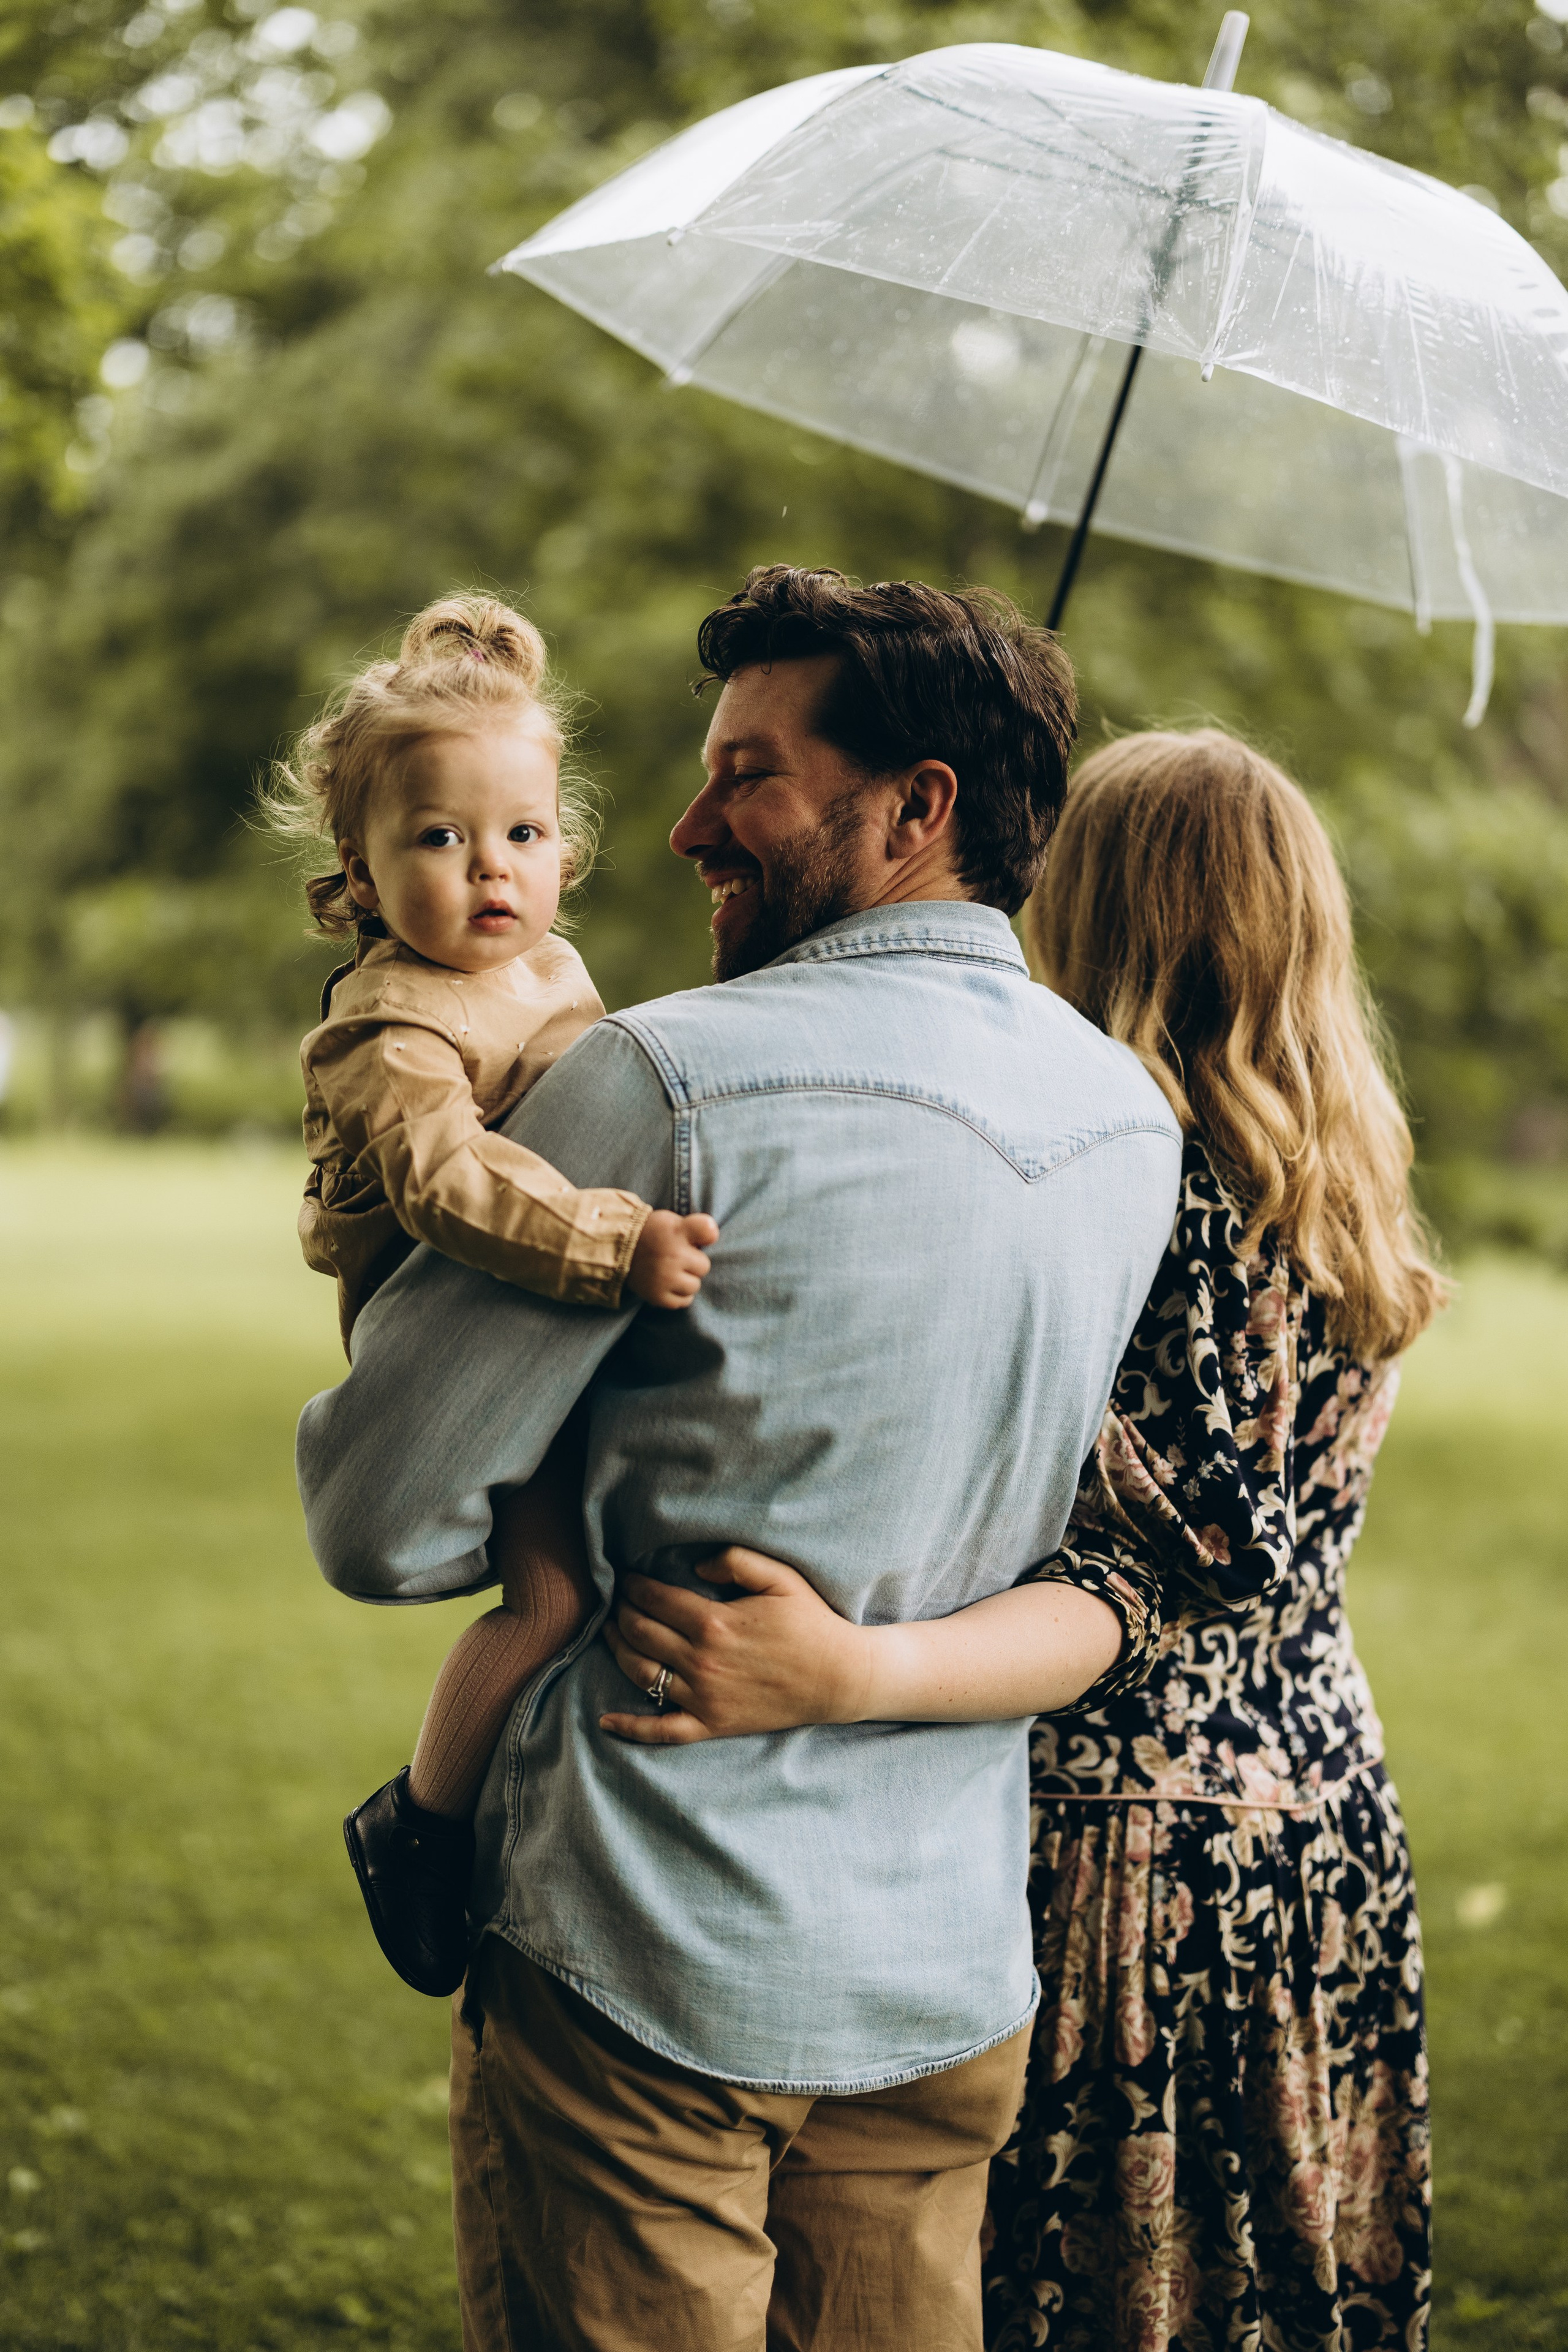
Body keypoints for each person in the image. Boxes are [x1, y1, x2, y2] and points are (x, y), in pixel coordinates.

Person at [295, 566, 1184, 2352]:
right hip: (938, 1968)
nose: (687, 826)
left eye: (748, 777)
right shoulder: (1128, 1116)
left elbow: (380, 1520)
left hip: (644, 1952)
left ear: (917, 807)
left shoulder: (660, 1079)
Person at [608, 728, 1443, 2352]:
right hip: (1323, 1818)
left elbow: (1127, 1565)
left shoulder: (1120, 1181)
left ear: (1092, 910)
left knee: (1077, 2291)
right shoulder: (1342, 1185)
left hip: (1111, 1845)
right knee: (1258, 2283)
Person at [266, 592, 717, 1999]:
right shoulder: (390, 1023)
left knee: (625, 1563)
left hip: (554, 1318)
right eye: (439, 840)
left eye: (521, 834)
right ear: (360, 868)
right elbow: (447, 1183)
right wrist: (613, 1244)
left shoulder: (551, 969)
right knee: (549, 1595)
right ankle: (420, 1820)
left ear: (565, 846)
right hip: (464, 1327)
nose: (489, 871)